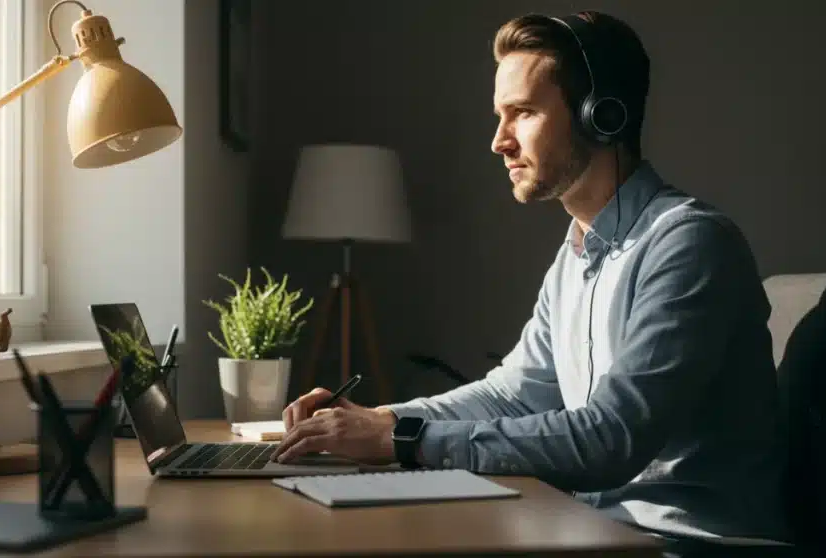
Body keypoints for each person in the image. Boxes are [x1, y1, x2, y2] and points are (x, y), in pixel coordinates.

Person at [271, 9, 794, 552]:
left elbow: (611, 438)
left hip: (688, 544)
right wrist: (374, 419)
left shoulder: (688, 244)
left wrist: (399, 440)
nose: (499, 141)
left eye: (522, 113)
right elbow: (514, 395)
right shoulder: (577, 252)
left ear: (601, 116)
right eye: (500, 116)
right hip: (600, 533)